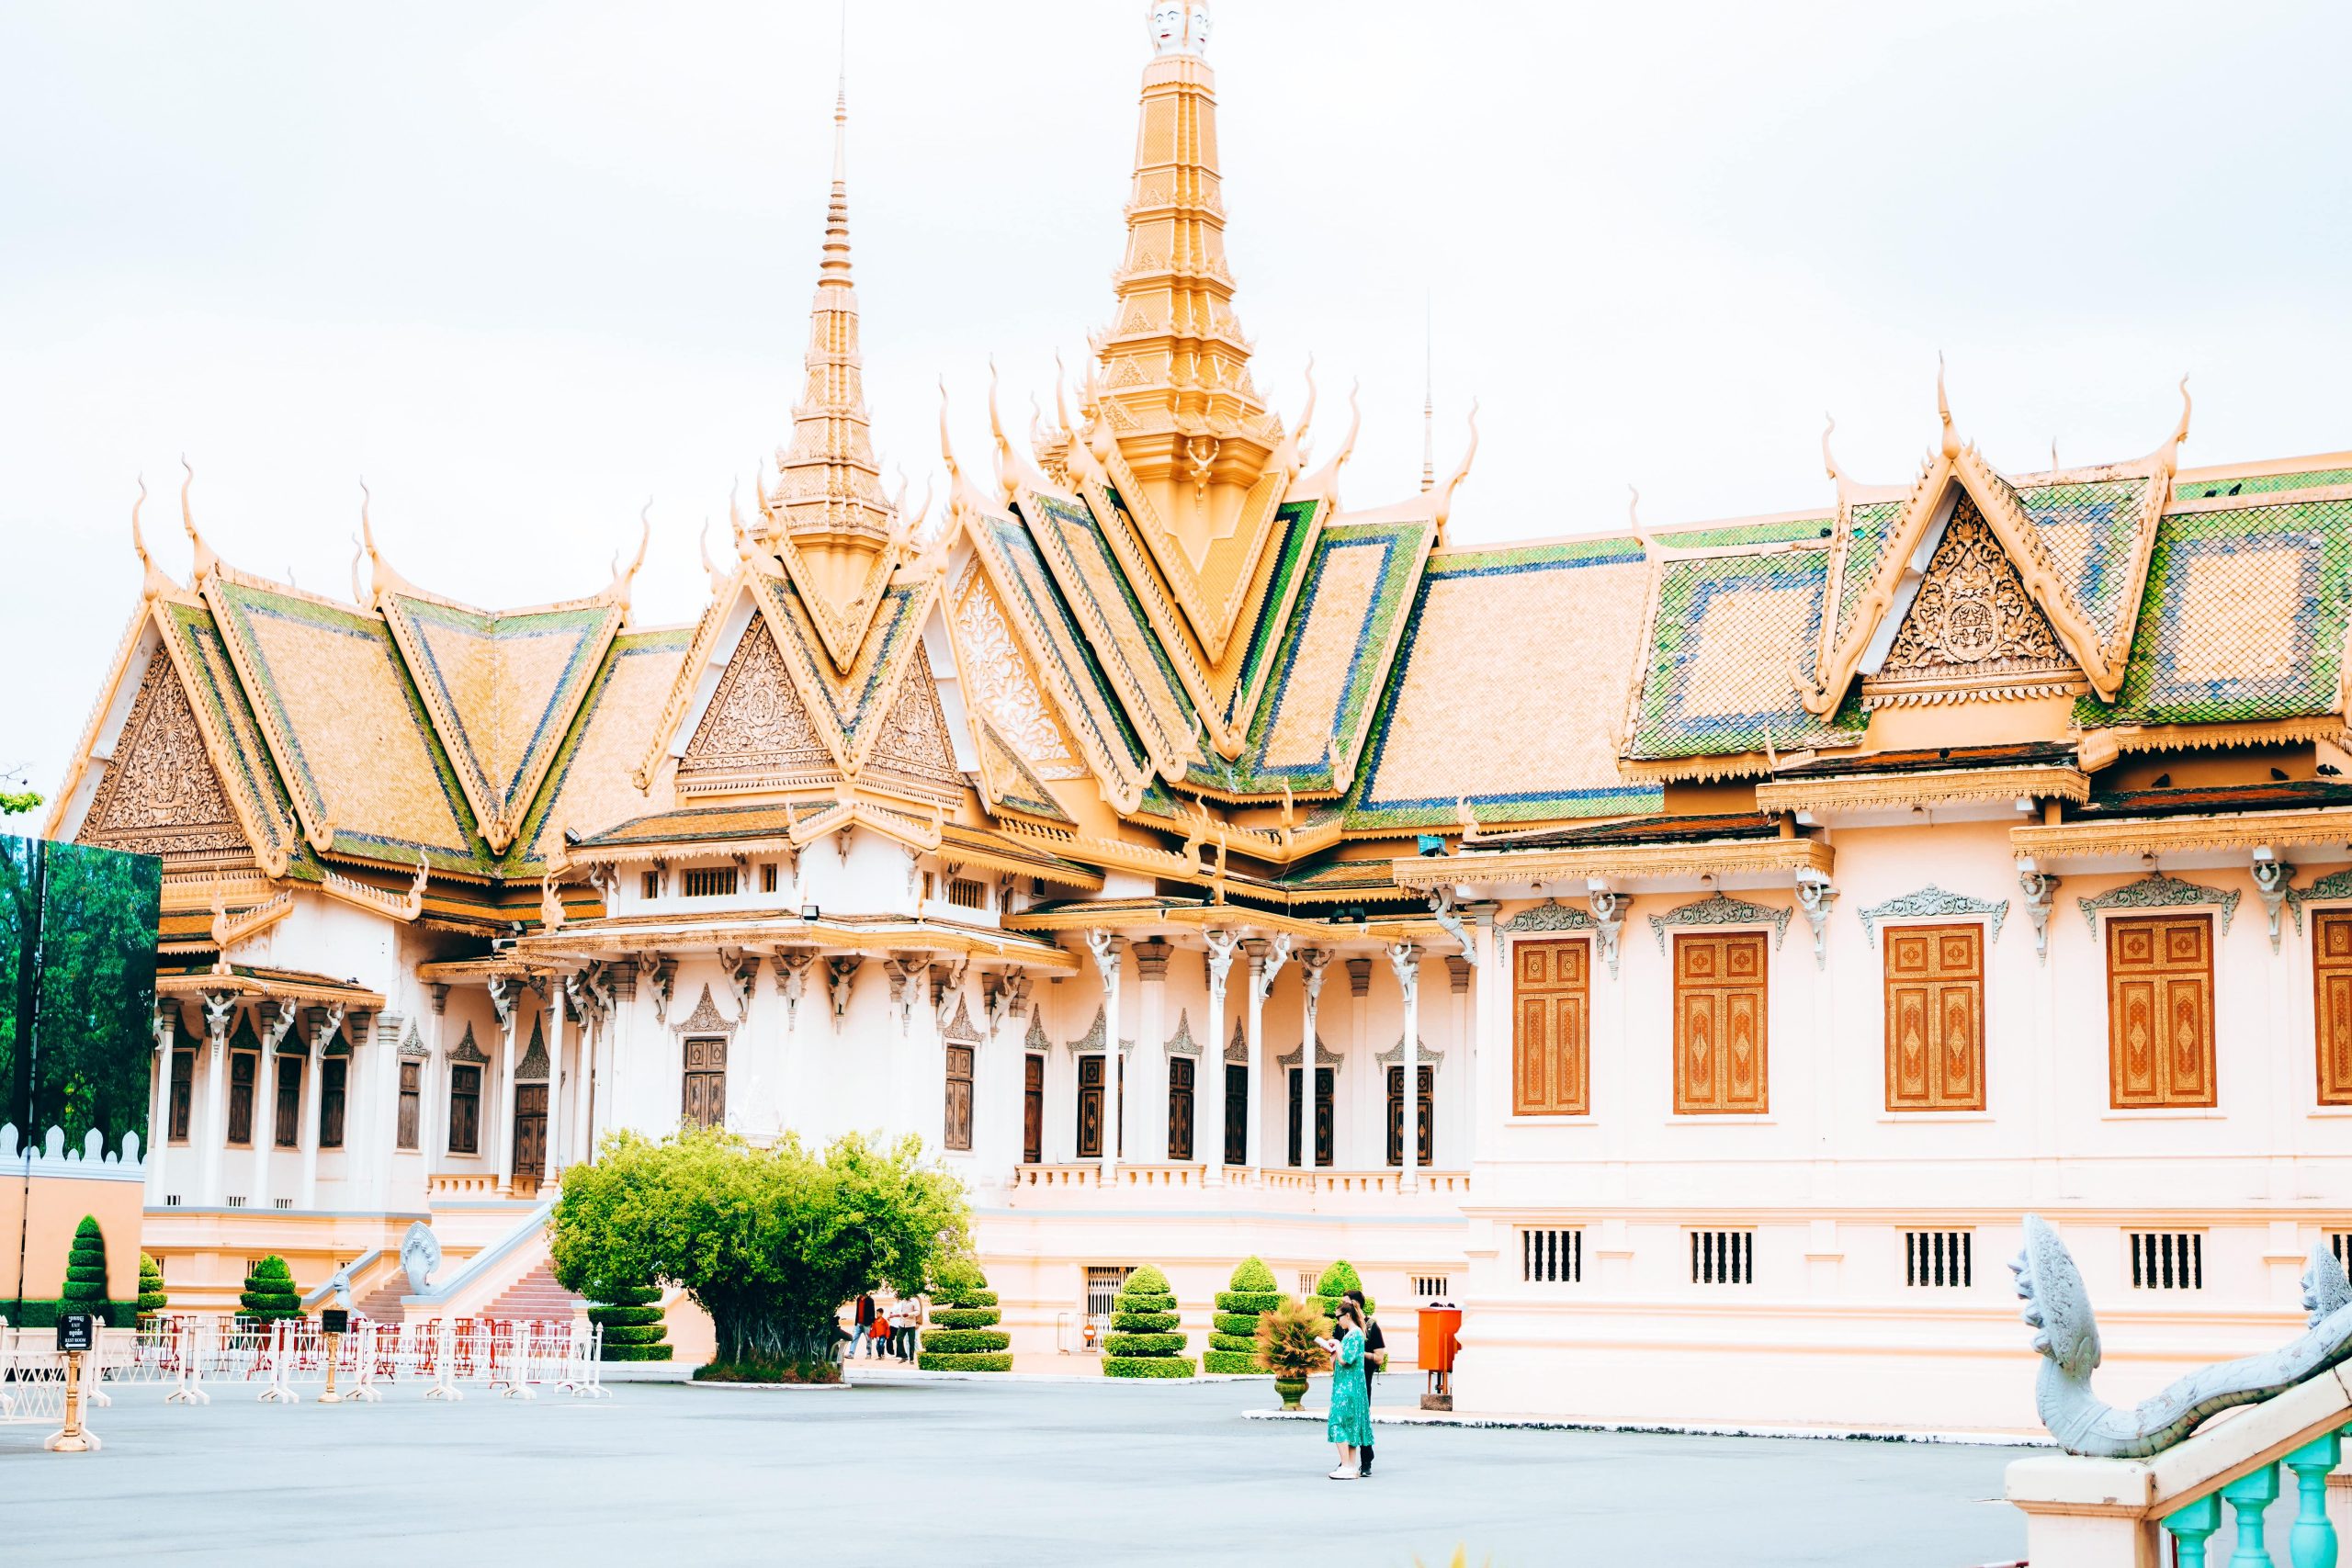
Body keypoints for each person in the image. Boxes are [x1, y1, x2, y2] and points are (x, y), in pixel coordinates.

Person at [1317, 1298, 1374, 1479]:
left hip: (1348, 1387)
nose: (1337, 1321)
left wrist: (1338, 1345)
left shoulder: (1354, 1334)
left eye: (1338, 1317)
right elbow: (1339, 1360)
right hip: (1348, 1385)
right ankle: (1349, 1465)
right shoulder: (1352, 1334)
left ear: (1347, 1315)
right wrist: (1334, 1348)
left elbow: (1345, 1360)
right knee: (1349, 1425)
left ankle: (1347, 1465)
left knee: (1337, 1423)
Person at [1343, 1288, 1386, 1476]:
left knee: (1361, 1418)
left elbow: (1379, 1358)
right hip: (1345, 1381)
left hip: (1362, 1380)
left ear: (1356, 1304)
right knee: (1345, 1419)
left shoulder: (1370, 1326)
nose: (1342, 1306)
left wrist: (1359, 1354)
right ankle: (1347, 1460)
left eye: (1346, 1302)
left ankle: (1366, 1459)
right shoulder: (1342, 1325)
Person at [851, 1292, 877, 1359]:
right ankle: (851, 1353)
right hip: (858, 1323)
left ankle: (868, 1354)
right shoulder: (858, 1299)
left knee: (868, 1339)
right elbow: (857, 1311)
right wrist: (856, 1322)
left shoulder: (870, 1300)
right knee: (854, 1337)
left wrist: (872, 1322)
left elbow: (872, 1311)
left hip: (867, 1323)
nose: (858, 1294)